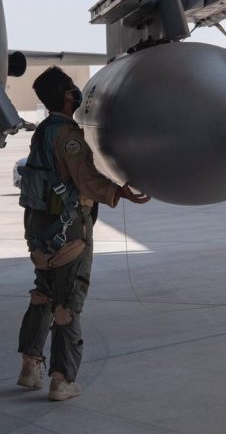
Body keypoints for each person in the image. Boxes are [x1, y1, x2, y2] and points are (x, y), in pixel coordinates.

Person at [16, 66, 149, 401]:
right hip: (69, 230)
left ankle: (30, 367)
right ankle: (62, 380)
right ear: (67, 96)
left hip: (39, 229)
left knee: (42, 294)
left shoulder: (42, 132)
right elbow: (85, 178)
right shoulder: (68, 136)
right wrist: (119, 192)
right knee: (67, 304)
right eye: (72, 89)